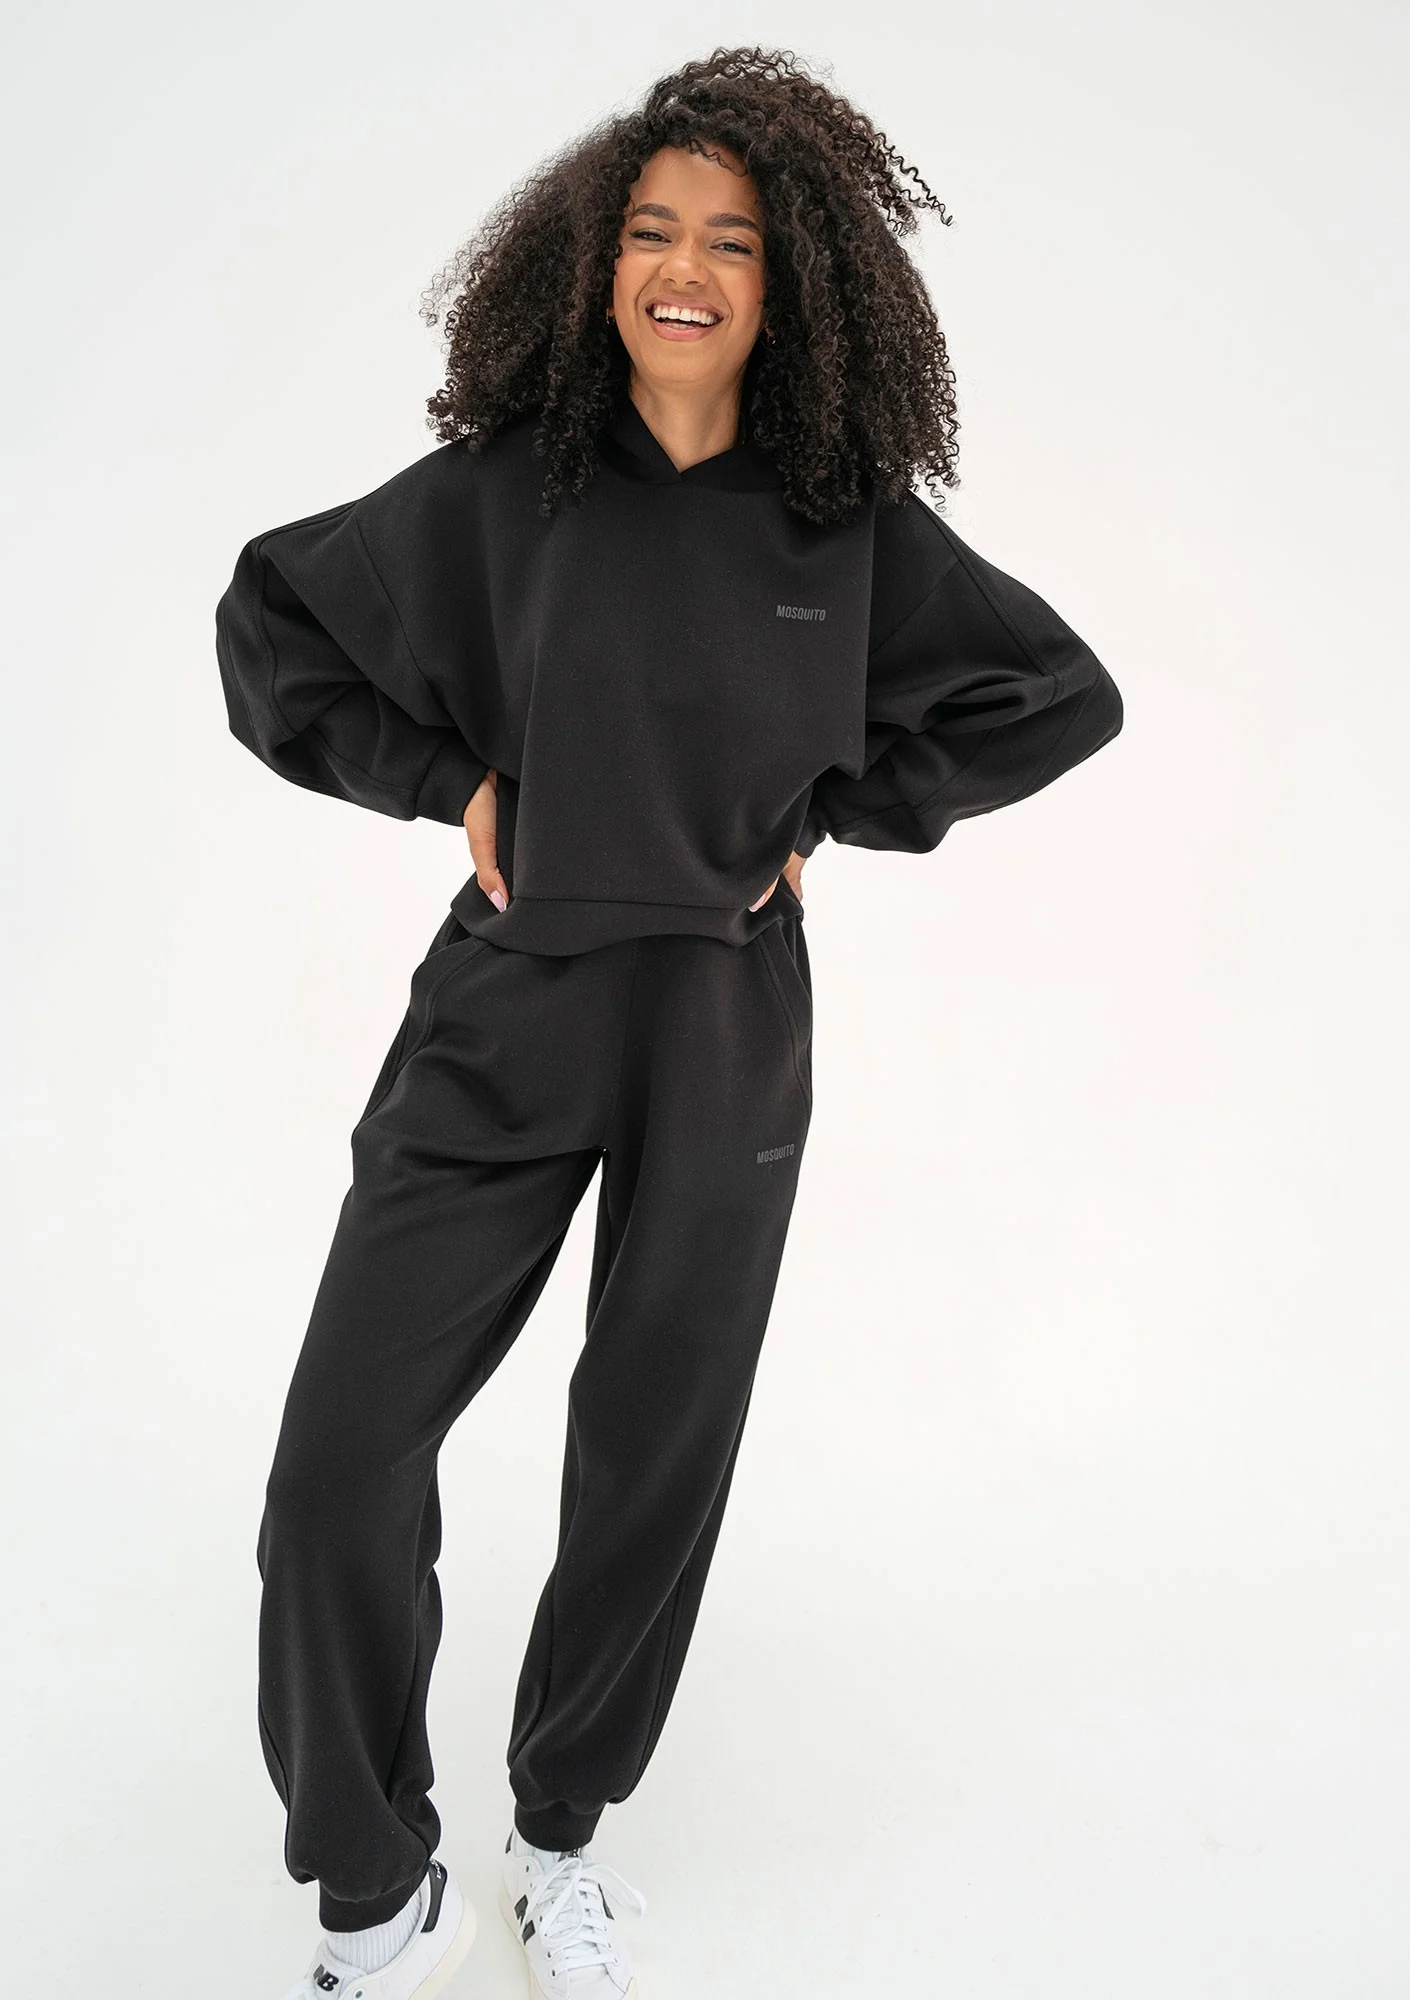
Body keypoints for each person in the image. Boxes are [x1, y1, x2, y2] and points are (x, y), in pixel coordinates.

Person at [216, 47, 1124, 2000]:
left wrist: (839, 813)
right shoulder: (503, 492)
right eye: (650, 231)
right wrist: (447, 784)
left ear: (791, 283)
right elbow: (272, 624)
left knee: (653, 1451)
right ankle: (372, 1892)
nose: (685, 268)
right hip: (504, 1015)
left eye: (729, 239)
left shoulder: (848, 525)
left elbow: (1057, 696)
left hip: (722, 1030)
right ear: (594, 260)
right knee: (336, 1467)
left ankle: (557, 1837)